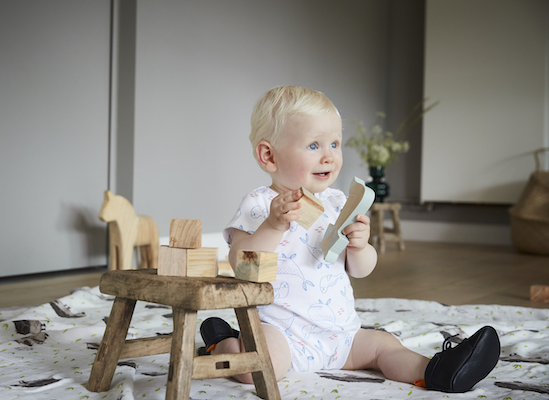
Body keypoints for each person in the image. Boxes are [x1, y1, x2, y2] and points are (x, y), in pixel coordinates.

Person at [200, 85, 500, 393]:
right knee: (258, 368)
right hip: (283, 334)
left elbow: (360, 269)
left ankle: (440, 371)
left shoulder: (337, 202)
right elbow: (242, 268)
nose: (329, 156)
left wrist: (360, 246)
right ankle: (224, 343)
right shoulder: (260, 205)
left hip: (342, 335)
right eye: (314, 145)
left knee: (384, 345)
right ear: (269, 156)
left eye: (335, 143)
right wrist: (274, 226)